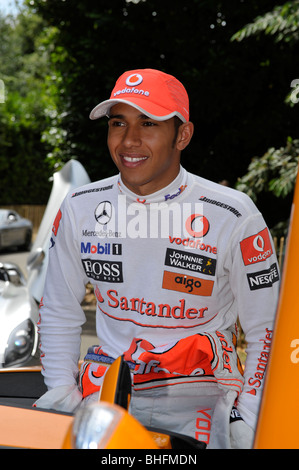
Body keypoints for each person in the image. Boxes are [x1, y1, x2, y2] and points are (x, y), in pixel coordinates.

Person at [34, 68, 279, 448]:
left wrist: (248, 413)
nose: (129, 140)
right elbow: (59, 310)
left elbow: (270, 328)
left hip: (203, 402)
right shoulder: (81, 207)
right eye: (118, 123)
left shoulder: (233, 214)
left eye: (148, 123)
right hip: (110, 394)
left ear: (182, 135)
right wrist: (63, 392)